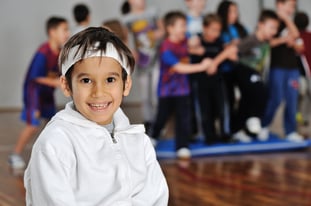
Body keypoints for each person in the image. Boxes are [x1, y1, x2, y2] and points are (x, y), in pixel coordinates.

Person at [24, 27, 169, 205]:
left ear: (126, 84)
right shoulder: (55, 143)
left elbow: (156, 198)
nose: (98, 92)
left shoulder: (139, 142)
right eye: (86, 80)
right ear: (66, 85)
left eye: (110, 80)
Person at [8, 17, 69, 170]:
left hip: (47, 93)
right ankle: (14, 155)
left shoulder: (60, 52)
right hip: (33, 92)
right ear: (52, 32)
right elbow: (35, 77)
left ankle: (48, 155)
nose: (67, 33)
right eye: (64, 30)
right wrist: (56, 82)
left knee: (52, 123)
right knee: (33, 125)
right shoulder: (43, 52)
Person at [151, 11, 212, 159]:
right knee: (162, 117)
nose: (185, 29)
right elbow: (179, 67)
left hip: (183, 89)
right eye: (182, 26)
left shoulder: (184, 40)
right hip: (166, 90)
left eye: (185, 26)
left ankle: (182, 145)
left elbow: (190, 49)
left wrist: (199, 49)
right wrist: (202, 66)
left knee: (183, 118)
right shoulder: (165, 48)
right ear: (170, 28)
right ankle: (153, 137)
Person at [259, 0, 304, 142]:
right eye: (289, 5)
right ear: (279, 4)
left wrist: (287, 20)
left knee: (292, 99)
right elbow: (267, 42)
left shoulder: (290, 23)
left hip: (292, 69)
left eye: (293, 6)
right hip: (277, 67)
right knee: (276, 98)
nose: (292, 8)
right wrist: (284, 40)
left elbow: (297, 38)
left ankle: (290, 130)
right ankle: (264, 125)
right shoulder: (272, 20)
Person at [231, 10, 280, 142]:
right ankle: (254, 119)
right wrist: (215, 63)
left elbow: (276, 41)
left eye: (276, 28)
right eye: (272, 27)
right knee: (261, 91)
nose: (274, 31)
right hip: (243, 70)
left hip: (254, 73)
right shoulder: (251, 39)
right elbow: (232, 50)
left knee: (246, 101)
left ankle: (237, 130)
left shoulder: (266, 41)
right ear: (260, 25)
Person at [189, 13, 238, 144]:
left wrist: (214, 63)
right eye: (213, 30)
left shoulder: (220, 42)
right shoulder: (197, 41)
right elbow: (189, 50)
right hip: (200, 81)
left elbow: (230, 52)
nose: (216, 33)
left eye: (218, 30)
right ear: (204, 28)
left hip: (217, 80)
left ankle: (225, 133)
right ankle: (208, 135)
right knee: (204, 109)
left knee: (222, 107)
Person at [121, 0, 164, 133]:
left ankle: (159, 123)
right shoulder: (126, 19)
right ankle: (148, 121)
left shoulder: (153, 12)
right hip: (141, 62)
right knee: (145, 95)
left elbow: (162, 29)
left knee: (156, 94)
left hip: (157, 58)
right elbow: (126, 39)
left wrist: (159, 33)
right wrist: (131, 51)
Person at [217, 0, 248, 135]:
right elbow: (220, 46)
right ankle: (228, 130)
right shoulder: (219, 29)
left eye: (236, 11)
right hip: (224, 71)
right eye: (231, 11)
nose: (234, 14)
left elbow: (250, 43)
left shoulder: (240, 28)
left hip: (240, 69)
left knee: (245, 98)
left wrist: (239, 45)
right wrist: (231, 46)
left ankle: (240, 127)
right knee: (228, 101)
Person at [185, 0, 207, 138]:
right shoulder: (184, 21)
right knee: (191, 97)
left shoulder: (206, 20)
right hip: (190, 64)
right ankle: (193, 130)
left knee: (204, 97)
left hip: (206, 63)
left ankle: (205, 129)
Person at [294, 11, 311, 125]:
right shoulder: (309, 36)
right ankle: (303, 117)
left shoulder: (294, 37)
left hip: (299, 72)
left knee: (300, 95)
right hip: (308, 71)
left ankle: (298, 115)